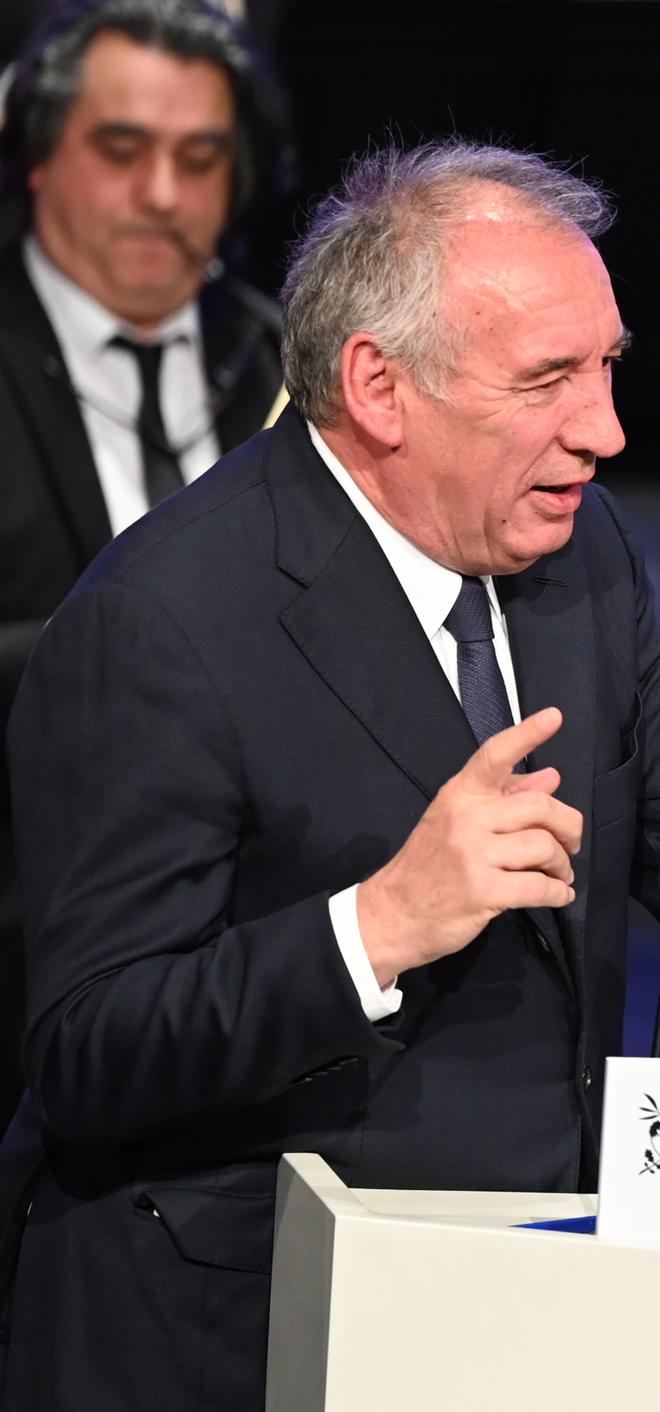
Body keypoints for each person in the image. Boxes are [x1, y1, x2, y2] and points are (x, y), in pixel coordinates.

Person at [0, 140, 660, 1410]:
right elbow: (91, 1047)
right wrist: (377, 926)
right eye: (550, 377)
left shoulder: (582, 550)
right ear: (379, 386)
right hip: (242, 1326)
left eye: (609, 365)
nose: (608, 430)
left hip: (515, 1307)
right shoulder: (160, 621)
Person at [0, 0, 286, 1126]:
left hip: (269, 943)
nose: (164, 194)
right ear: (36, 160)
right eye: (121, 152)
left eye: (201, 159)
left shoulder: (289, 362)